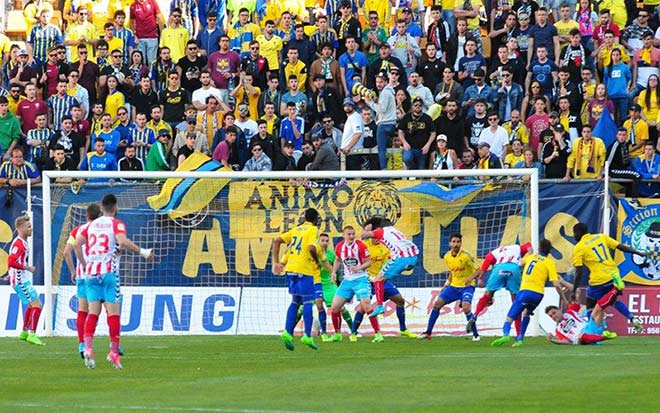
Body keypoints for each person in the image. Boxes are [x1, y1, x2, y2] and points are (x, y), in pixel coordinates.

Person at [75, 194, 153, 369]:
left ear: (101, 208)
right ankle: (114, 352)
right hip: (109, 274)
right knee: (113, 314)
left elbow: (76, 245)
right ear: (115, 208)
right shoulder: (116, 224)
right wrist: (143, 252)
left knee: (93, 313)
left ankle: (88, 348)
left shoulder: (90, 225)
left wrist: (85, 263)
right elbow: (122, 241)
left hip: (91, 275)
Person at [490, 239, 569, 347]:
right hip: (538, 295)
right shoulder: (549, 262)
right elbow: (556, 284)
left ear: (539, 249)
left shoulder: (530, 257)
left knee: (510, 317)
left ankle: (506, 334)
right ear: (549, 251)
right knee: (526, 313)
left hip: (525, 291)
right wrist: (564, 298)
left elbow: (518, 265)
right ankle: (520, 340)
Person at [571, 222, 646, 333]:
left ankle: (591, 329)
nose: (574, 236)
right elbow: (620, 247)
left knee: (590, 303)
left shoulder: (579, 248)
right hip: (614, 275)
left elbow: (579, 271)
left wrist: (574, 289)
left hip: (599, 280)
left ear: (578, 233)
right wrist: (637, 252)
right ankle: (632, 318)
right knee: (614, 301)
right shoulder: (601, 237)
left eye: (574, 234)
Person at [271, 208, 322, 351]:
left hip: (291, 269)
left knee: (295, 301)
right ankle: (307, 335)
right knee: (307, 302)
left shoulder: (296, 229)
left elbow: (277, 241)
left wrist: (275, 262)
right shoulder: (312, 230)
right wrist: (316, 261)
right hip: (304, 269)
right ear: (315, 219)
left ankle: (288, 332)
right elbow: (311, 248)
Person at [350, 236, 417, 341]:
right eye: (374, 237)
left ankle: (403, 329)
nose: (376, 239)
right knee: (364, 307)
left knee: (400, 301)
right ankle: (353, 333)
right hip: (367, 281)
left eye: (378, 238)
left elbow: (387, 266)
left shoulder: (385, 249)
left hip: (381, 280)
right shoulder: (364, 246)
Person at [419, 233, 480, 341]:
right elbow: (452, 272)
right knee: (437, 304)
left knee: (466, 308)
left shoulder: (466, 256)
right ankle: (428, 332)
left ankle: (475, 335)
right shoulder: (447, 256)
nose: (456, 244)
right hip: (453, 287)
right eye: (454, 242)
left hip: (467, 287)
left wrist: (470, 278)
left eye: (458, 242)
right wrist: (446, 284)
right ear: (449, 243)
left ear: (461, 243)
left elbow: (479, 269)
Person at [329, 226, 383, 343]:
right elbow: (338, 259)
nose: (352, 236)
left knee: (366, 305)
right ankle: (337, 334)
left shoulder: (361, 246)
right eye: (349, 234)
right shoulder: (339, 247)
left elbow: (369, 261)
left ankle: (378, 334)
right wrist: (333, 272)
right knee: (335, 307)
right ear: (343, 235)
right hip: (347, 280)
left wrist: (359, 267)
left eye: (353, 234)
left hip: (361, 279)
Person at [467, 242, 533, 336]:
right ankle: (518, 335)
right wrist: (531, 256)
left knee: (488, 294)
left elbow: (486, 263)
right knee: (516, 304)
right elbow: (528, 245)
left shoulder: (495, 252)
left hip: (499, 269)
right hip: (514, 269)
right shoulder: (517, 248)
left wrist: (480, 279)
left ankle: (475, 315)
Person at [360, 216, 419, 318]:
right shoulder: (394, 230)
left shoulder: (380, 231)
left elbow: (363, 235)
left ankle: (379, 306)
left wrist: (367, 227)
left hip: (401, 259)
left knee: (378, 279)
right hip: (413, 259)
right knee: (383, 278)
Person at [64, 203, 102, 357]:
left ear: (86, 215)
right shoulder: (101, 231)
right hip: (97, 275)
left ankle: (81, 344)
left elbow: (66, 252)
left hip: (81, 275)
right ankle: (92, 344)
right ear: (99, 216)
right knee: (99, 311)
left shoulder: (77, 230)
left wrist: (73, 271)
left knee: (82, 310)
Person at [7, 215, 44, 345]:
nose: (31, 229)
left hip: (20, 280)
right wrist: (27, 268)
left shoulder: (22, 242)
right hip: (20, 281)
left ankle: (24, 333)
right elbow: (11, 261)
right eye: (28, 227)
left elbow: (12, 262)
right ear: (21, 228)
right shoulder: (19, 244)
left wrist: (10, 274)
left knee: (32, 304)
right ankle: (32, 334)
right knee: (37, 305)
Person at [545, 303, 618, 345]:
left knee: (598, 308)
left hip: (589, 327)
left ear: (559, 310)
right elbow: (567, 341)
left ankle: (613, 294)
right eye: (551, 316)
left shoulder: (570, 312)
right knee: (581, 336)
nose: (553, 316)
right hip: (580, 339)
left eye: (554, 313)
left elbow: (578, 301)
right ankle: (604, 337)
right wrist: (552, 340)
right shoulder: (558, 330)